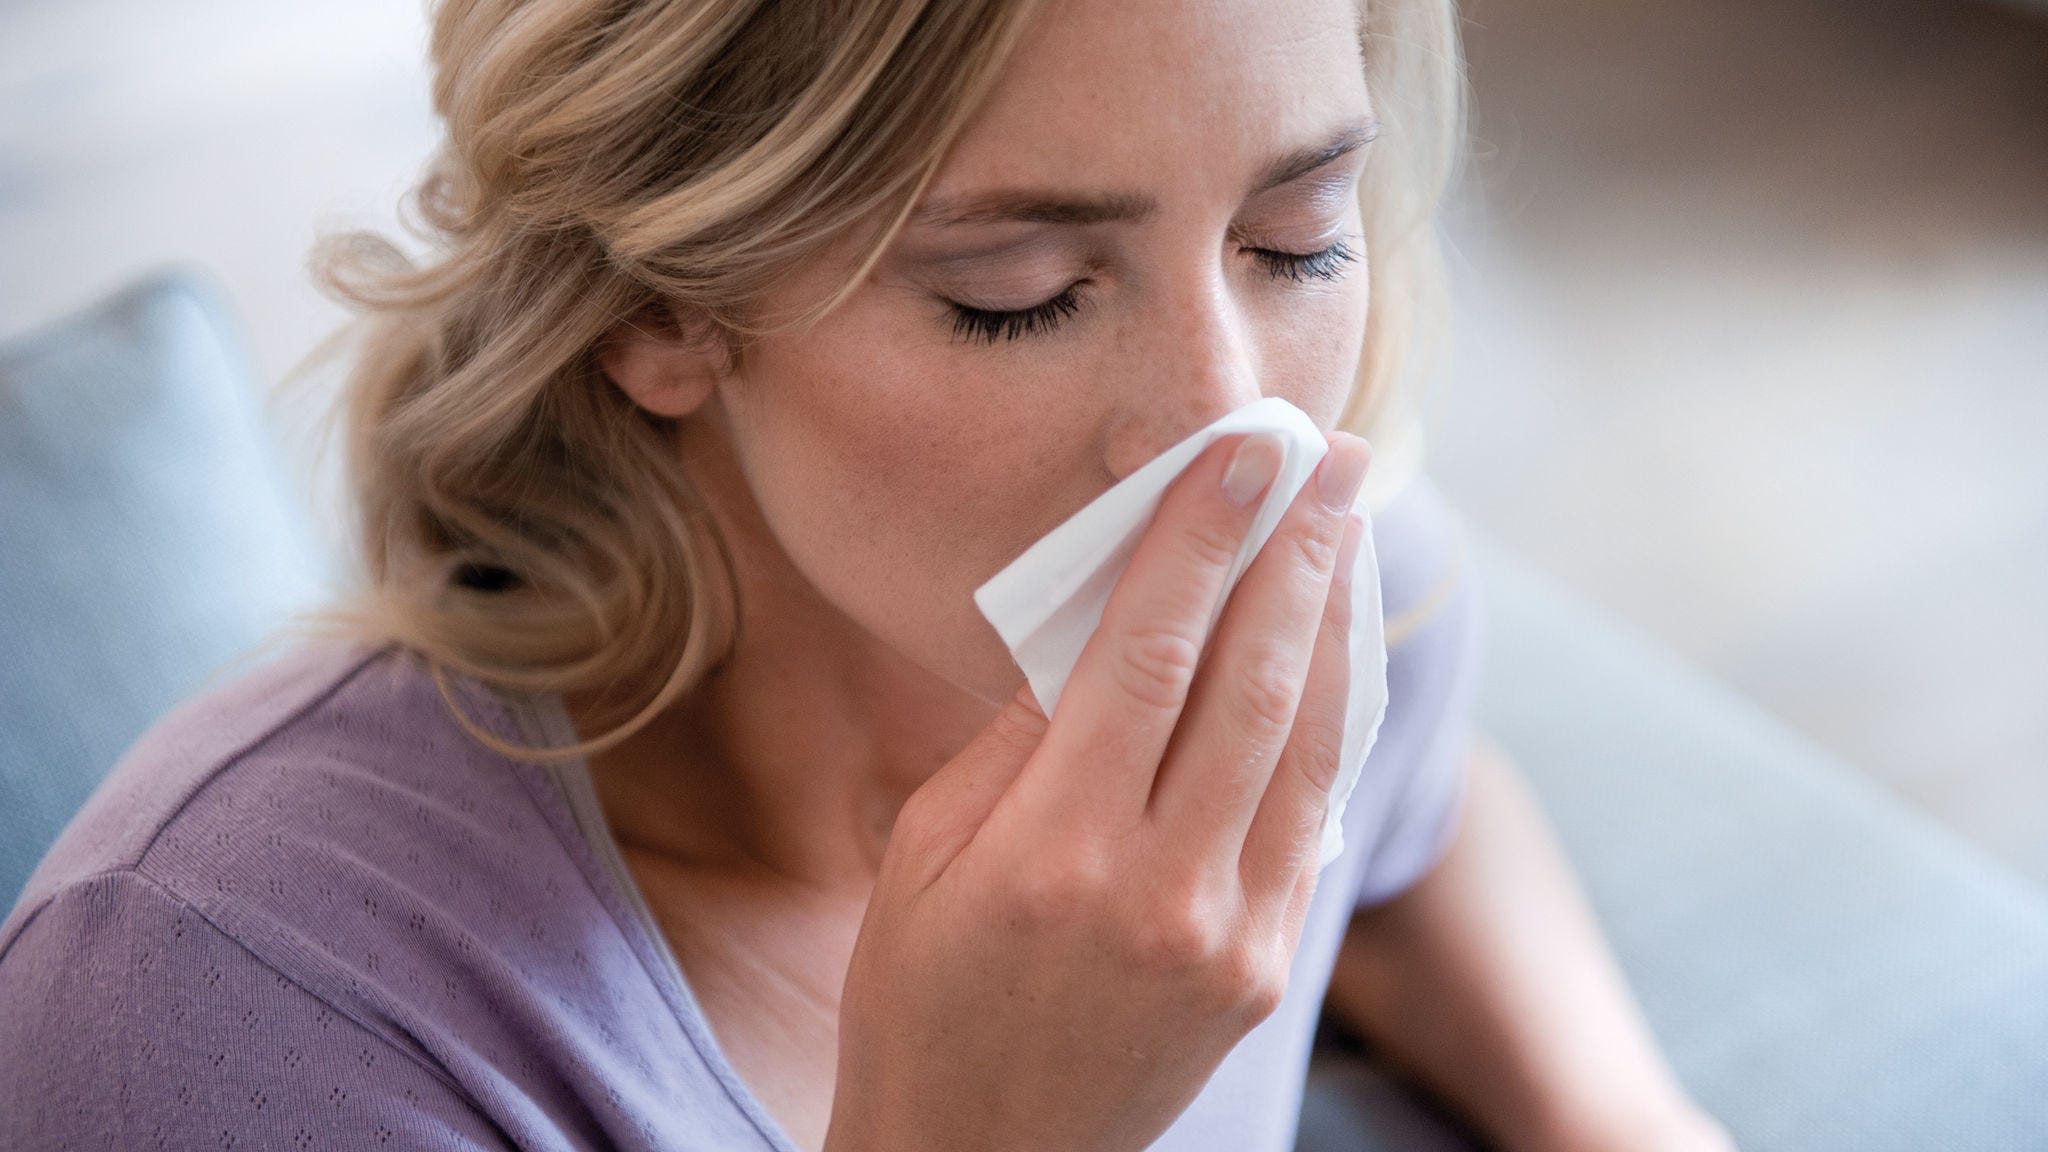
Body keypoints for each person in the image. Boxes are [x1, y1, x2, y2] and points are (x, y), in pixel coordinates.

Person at [0, 0, 1737, 1148]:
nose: (1230, 428)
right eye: (1023, 289)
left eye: (1298, 240)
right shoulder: (215, 1007)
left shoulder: (1332, 581)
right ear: (654, 311)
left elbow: (1421, 824)